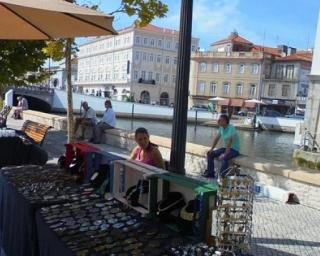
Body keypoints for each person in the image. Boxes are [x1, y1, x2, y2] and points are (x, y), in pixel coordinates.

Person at [203, 114, 240, 178]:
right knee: (210, 154)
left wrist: (225, 154)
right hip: (226, 148)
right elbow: (216, 138)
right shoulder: (221, 128)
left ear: (226, 121)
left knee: (225, 158)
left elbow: (230, 141)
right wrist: (212, 149)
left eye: (221, 120)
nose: (219, 121)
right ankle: (210, 173)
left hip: (234, 150)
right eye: (219, 120)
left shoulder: (231, 128)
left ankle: (222, 177)